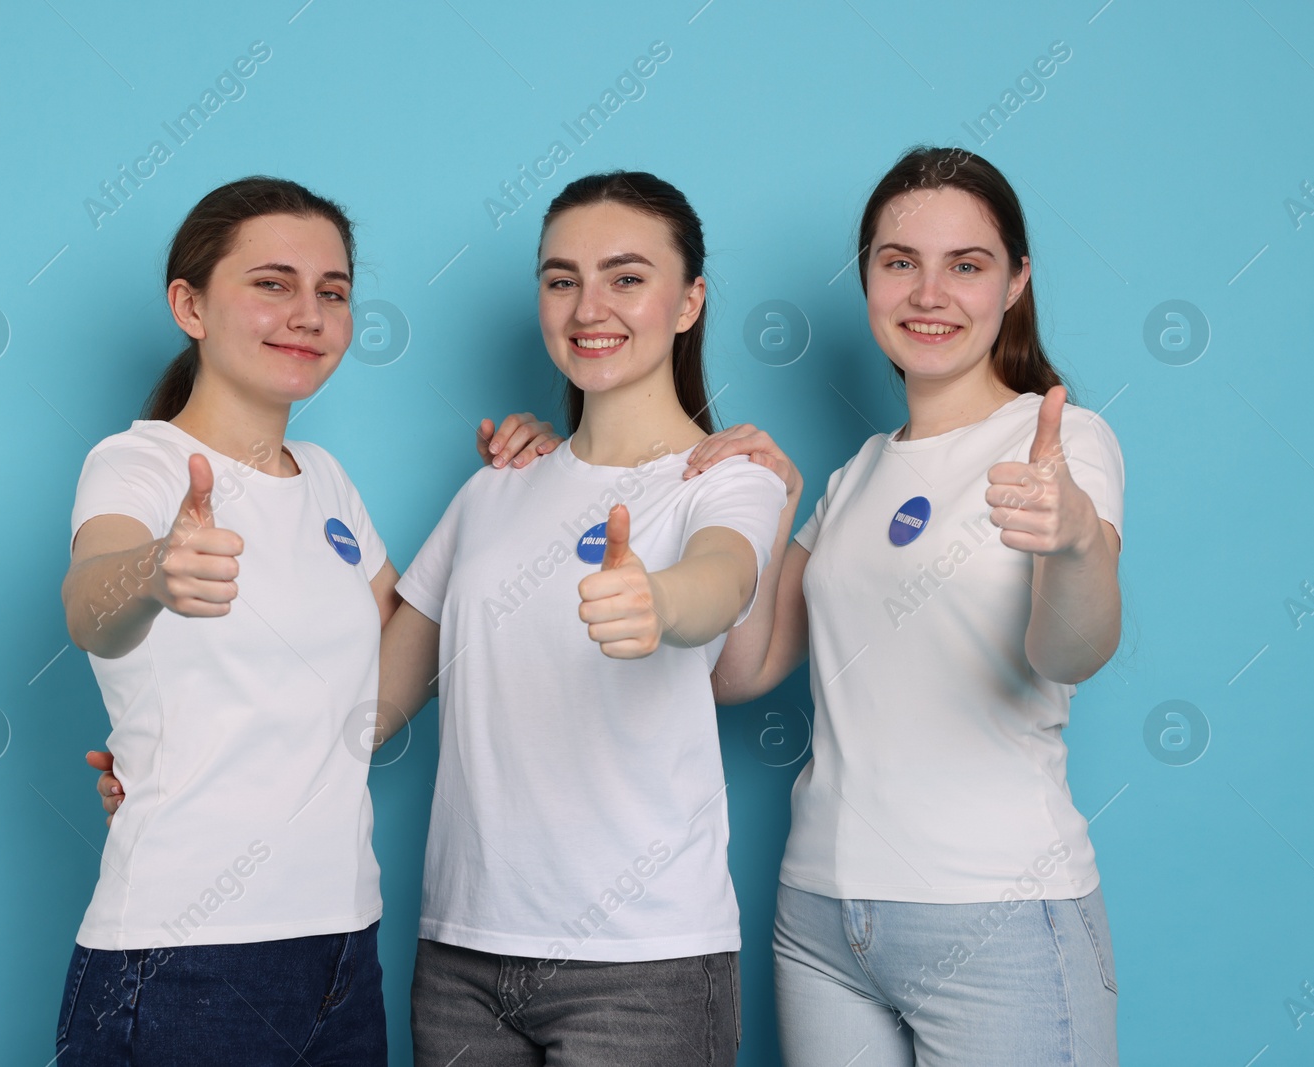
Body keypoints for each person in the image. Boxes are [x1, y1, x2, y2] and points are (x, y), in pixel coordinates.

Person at [55, 176, 553, 1066]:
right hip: (181, 960)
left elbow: (391, 682)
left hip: (341, 949)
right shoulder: (139, 462)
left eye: (332, 291)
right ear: (190, 305)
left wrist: (520, 492)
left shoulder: (325, 480)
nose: (308, 313)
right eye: (272, 283)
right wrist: (153, 570)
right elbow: (90, 602)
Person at [688, 146, 1125, 1065]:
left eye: (966, 265)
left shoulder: (1060, 441)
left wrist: (1078, 539)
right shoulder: (854, 478)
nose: (930, 293)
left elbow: (1070, 651)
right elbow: (743, 672)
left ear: (1015, 283)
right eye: (899, 263)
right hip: (820, 923)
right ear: (869, 280)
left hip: (996, 910)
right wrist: (768, 514)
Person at [378, 170, 789, 1065]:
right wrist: (184, 768)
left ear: (690, 303)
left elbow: (724, 574)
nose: (588, 306)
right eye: (561, 278)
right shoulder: (496, 486)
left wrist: (660, 600)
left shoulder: (729, 478)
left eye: (627, 276)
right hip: (460, 959)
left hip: (645, 964)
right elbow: (366, 711)